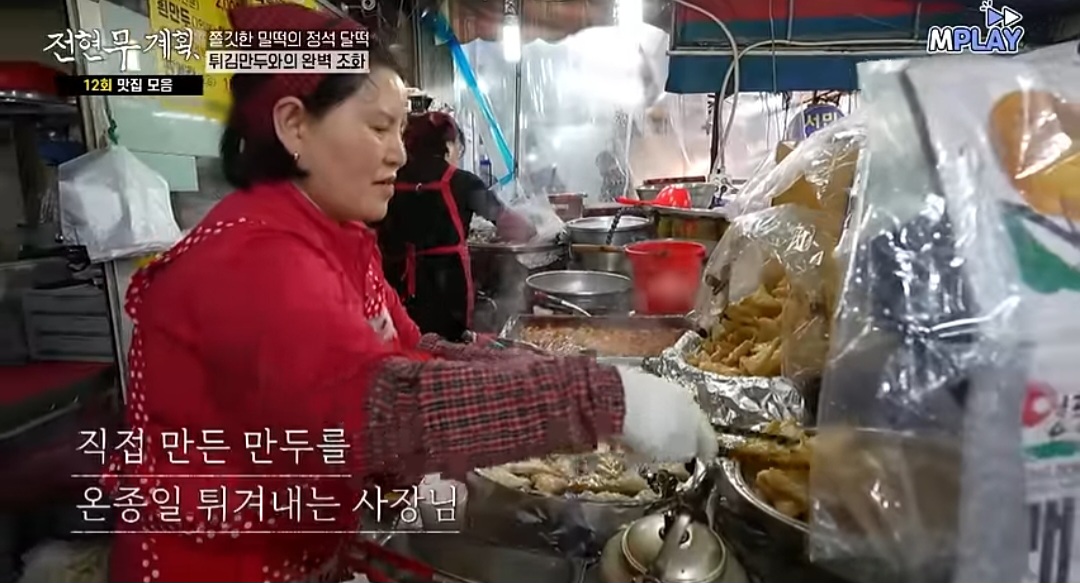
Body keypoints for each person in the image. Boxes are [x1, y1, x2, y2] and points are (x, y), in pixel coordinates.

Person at [102, 5, 717, 583]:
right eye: (378, 127)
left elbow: (410, 348)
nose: (399, 152)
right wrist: (603, 399)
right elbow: (385, 411)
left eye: (401, 128)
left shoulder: (336, 235)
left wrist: (550, 366)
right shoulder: (254, 259)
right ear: (294, 126)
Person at [378, 111, 534, 341]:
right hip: (447, 288)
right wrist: (534, 228)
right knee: (451, 344)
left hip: (396, 286)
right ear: (448, 145)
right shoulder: (462, 181)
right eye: (460, 147)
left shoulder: (389, 179)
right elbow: (512, 225)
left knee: (407, 343)